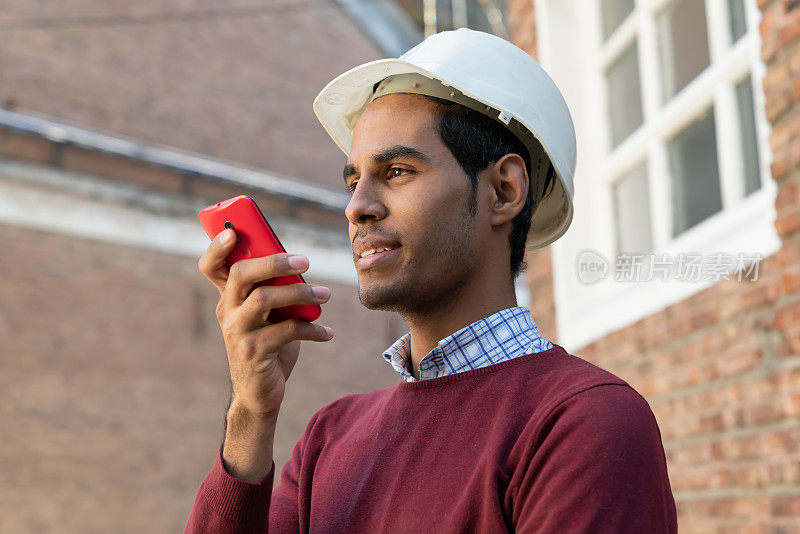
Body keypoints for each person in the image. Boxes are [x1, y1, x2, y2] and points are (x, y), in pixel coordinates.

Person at [186, 28, 677, 533]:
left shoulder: (585, 421)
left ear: (504, 191)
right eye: (354, 181)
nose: (358, 207)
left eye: (397, 171)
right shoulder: (326, 439)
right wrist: (250, 410)